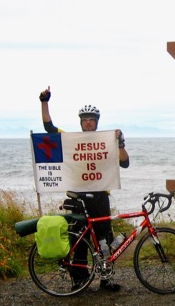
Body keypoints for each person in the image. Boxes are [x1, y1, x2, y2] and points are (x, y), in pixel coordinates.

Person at [39, 86, 129, 292]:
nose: (88, 122)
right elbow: (49, 128)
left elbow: (125, 163)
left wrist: (120, 142)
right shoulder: (71, 139)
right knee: (79, 239)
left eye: (92, 120)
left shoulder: (107, 140)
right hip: (79, 198)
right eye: (85, 120)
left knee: (105, 239)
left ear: (97, 122)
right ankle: (79, 280)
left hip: (100, 197)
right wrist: (44, 102)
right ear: (81, 122)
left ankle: (106, 279)